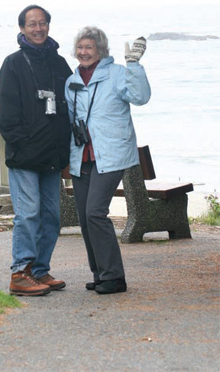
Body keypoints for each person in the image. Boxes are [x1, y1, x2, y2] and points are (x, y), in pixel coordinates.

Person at [65, 26, 151, 294]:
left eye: (89, 47)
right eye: (80, 47)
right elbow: (68, 121)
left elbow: (140, 97)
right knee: (85, 217)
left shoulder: (116, 74)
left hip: (111, 155)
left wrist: (134, 64)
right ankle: (101, 273)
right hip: (82, 157)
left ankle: (115, 276)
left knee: (95, 212)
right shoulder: (71, 81)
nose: (83, 52)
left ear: (101, 50)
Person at [0, 5, 72, 296]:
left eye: (42, 23)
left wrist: (67, 153)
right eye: (32, 24)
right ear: (22, 29)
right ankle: (20, 273)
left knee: (51, 216)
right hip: (25, 156)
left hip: (52, 156)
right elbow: (5, 111)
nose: (38, 28)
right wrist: (23, 143)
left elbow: (70, 108)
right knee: (28, 214)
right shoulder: (13, 63)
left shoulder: (59, 63)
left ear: (48, 27)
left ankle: (39, 270)